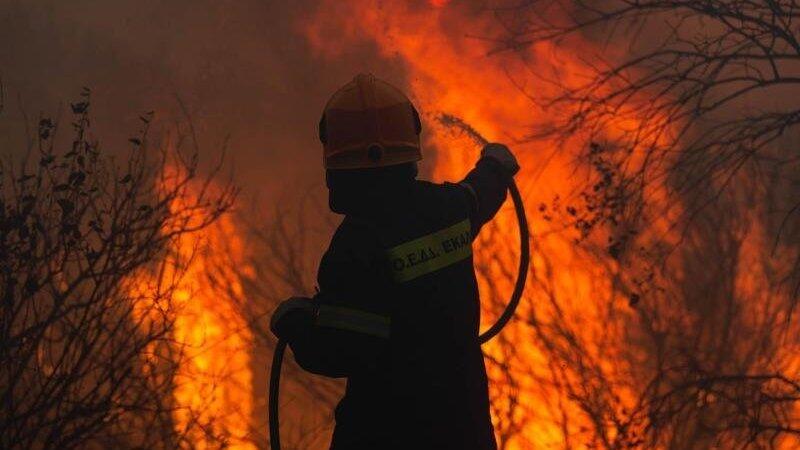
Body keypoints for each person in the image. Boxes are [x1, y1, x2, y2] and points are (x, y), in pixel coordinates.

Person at [270, 73, 520, 450]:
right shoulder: (446, 208)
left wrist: (295, 323)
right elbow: (479, 195)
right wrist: (495, 167)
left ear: (337, 163)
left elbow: (344, 349)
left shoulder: (357, 244)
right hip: (465, 433)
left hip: (387, 433)